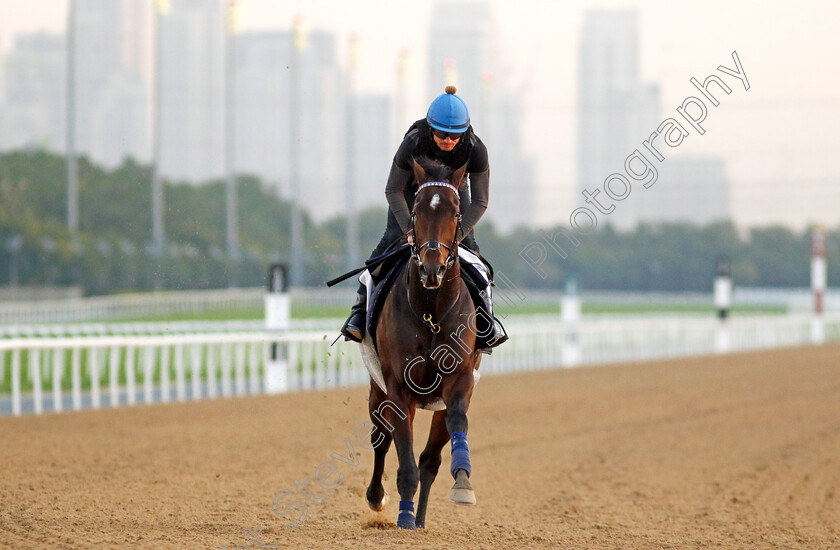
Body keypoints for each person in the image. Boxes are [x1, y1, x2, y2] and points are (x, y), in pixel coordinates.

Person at [341, 85, 490, 343]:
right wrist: (409, 229)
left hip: (453, 193)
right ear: (431, 128)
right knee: (385, 249)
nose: (449, 140)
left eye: (455, 135)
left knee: (475, 257)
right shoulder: (412, 142)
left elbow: (480, 201)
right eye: (443, 133)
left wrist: (458, 234)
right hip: (411, 193)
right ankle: (358, 313)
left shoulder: (476, 149)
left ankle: (486, 321)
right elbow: (392, 189)